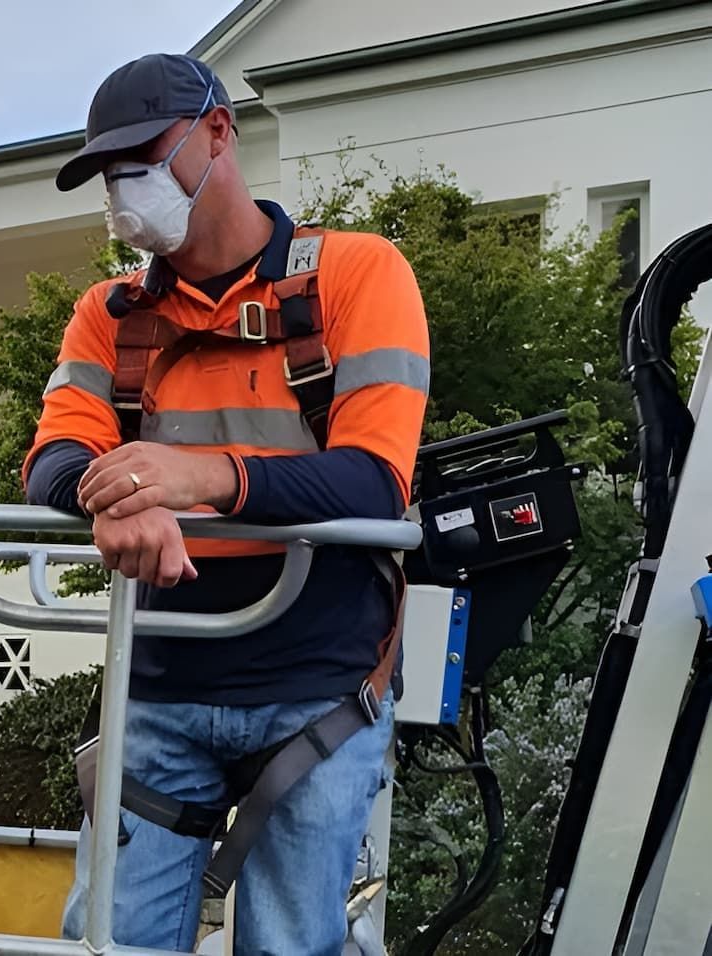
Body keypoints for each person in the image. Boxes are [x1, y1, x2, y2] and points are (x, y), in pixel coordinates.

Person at [25, 53, 430, 955]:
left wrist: (198, 477)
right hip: (159, 687)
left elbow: (374, 479)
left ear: (219, 131)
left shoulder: (355, 277)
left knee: (291, 944)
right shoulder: (111, 314)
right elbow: (53, 457)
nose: (124, 187)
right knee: (109, 942)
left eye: (142, 156)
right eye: (107, 170)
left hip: (318, 690)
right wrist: (118, 496)